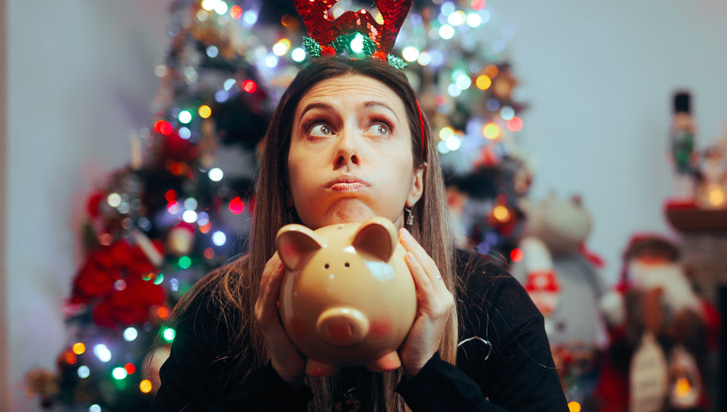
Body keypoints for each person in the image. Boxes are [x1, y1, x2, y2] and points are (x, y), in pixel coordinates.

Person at [148, 56, 568, 411]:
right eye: (319, 127)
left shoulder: (492, 300)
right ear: (286, 179)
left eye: (379, 126)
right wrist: (275, 382)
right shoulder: (217, 310)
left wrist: (430, 375)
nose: (347, 148)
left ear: (416, 182)